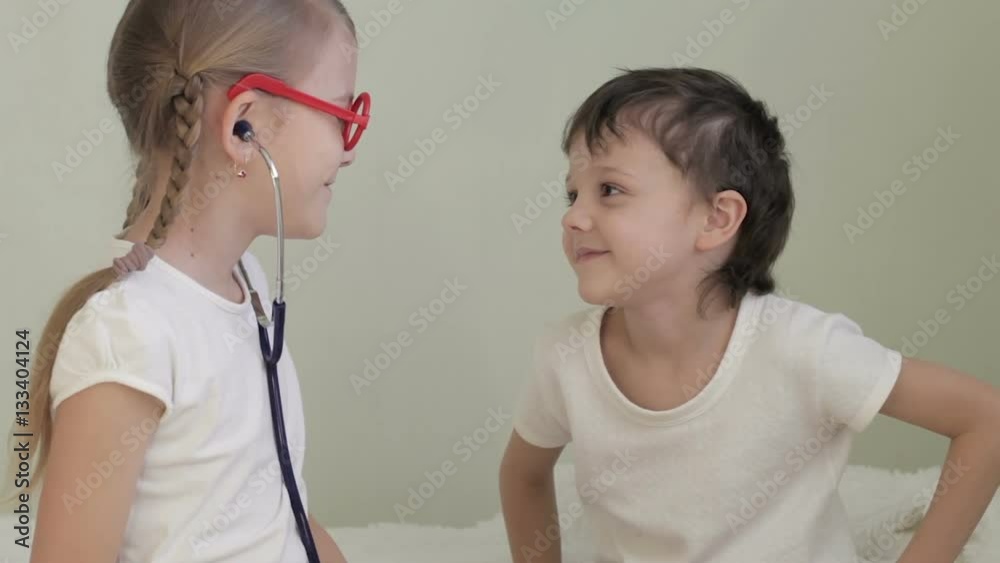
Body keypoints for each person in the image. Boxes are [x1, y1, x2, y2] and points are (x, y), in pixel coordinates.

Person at [499, 67, 1000, 563]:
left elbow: (986, 418)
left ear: (716, 219)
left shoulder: (801, 347)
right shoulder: (565, 356)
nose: (573, 216)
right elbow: (522, 475)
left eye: (610, 189)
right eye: (573, 194)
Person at [1, 1, 368, 561]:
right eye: (341, 114)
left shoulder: (244, 284)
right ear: (245, 125)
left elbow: (275, 503)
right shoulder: (129, 335)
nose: (348, 152)